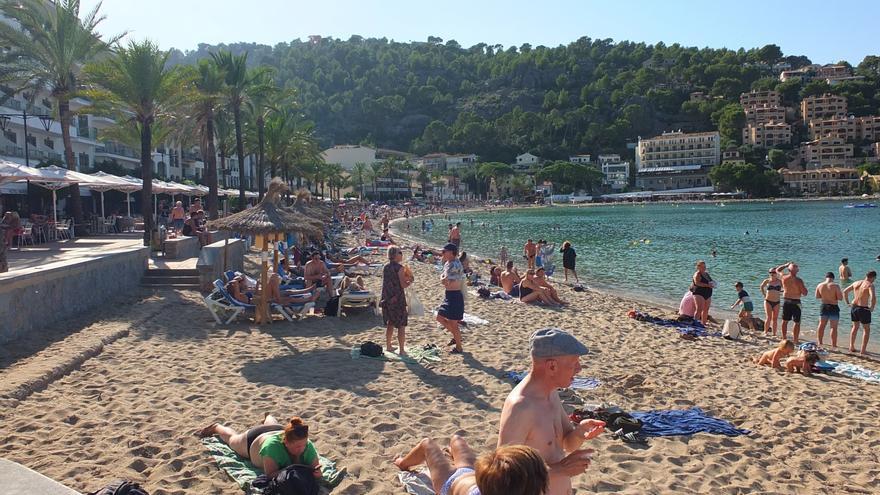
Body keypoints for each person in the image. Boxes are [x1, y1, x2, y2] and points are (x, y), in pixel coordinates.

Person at [498, 328, 605, 495]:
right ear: (552, 366)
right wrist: (561, 469)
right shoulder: (521, 408)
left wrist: (579, 433)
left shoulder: (552, 393)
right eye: (573, 363)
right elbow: (504, 474)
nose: (579, 369)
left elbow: (567, 443)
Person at [394, 436, 549, 495]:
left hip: (472, 477)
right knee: (445, 442)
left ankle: (453, 453)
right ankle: (402, 463)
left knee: (435, 444)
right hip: (449, 483)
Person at [197, 416, 321, 477]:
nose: (302, 449)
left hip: (277, 429)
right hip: (252, 440)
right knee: (231, 440)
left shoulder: (307, 446)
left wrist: (316, 472)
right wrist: (294, 469)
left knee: (273, 424)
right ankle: (216, 427)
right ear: (286, 443)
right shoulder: (272, 448)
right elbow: (270, 474)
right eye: (297, 446)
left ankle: (268, 417)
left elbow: (318, 471)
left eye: (303, 445)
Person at [381, 247, 413, 354]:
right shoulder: (400, 268)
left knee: (390, 322)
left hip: (387, 298)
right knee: (401, 325)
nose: (401, 254)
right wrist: (410, 281)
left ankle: (389, 346)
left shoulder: (386, 267)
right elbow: (403, 285)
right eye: (400, 252)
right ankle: (402, 350)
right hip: (397, 298)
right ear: (395, 255)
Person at [437, 243, 465, 353]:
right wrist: (443, 279)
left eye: (445, 251)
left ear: (451, 252)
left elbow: (446, 281)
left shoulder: (455, 264)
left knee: (453, 323)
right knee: (440, 318)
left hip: (455, 296)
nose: (442, 253)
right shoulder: (448, 263)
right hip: (449, 295)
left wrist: (443, 280)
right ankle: (457, 337)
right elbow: (443, 277)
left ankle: (459, 347)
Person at [843, 271, 876, 355]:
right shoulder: (870, 285)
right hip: (863, 309)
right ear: (873, 277)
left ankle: (851, 346)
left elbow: (845, 291)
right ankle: (863, 350)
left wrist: (847, 303)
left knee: (855, 327)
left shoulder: (856, 282)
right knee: (866, 329)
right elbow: (873, 297)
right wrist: (872, 307)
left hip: (854, 307)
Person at [775, 262, 808, 344]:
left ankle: (784, 338)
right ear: (797, 271)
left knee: (785, 320)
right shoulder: (799, 280)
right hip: (796, 302)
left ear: (789, 270)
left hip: (786, 301)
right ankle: (795, 340)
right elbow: (805, 293)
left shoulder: (784, 277)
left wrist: (785, 265)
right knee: (797, 322)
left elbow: (777, 270)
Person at [815, 272, 844, 348]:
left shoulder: (820, 285)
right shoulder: (835, 286)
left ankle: (820, 342)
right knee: (833, 327)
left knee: (821, 325)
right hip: (833, 307)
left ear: (826, 277)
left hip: (824, 306)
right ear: (833, 278)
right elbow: (840, 298)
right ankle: (833, 345)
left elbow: (817, 296)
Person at [759, 269, 783, 336]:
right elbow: (761, 286)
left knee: (775, 319)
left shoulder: (780, 282)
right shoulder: (767, 281)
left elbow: (786, 288)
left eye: (774, 272)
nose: (772, 273)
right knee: (768, 317)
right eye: (770, 272)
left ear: (776, 273)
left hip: (777, 302)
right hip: (768, 301)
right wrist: (764, 294)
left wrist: (783, 292)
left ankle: (774, 334)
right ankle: (765, 332)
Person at [690, 261, 715, 325]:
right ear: (698, 267)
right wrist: (707, 285)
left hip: (708, 293)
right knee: (699, 309)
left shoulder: (706, 274)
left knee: (706, 309)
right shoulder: (697, 274)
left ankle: (703, 323)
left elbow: (710, 281)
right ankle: (695, 323)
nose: (704, 268)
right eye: (702, 267)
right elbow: (697, 283)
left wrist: (713, 283)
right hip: (699, 292)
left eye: (705, 266)